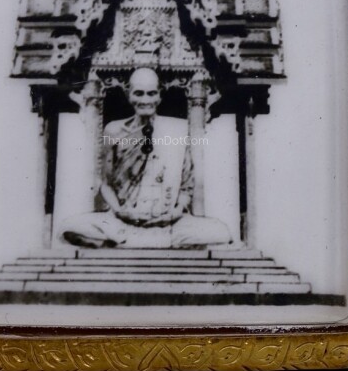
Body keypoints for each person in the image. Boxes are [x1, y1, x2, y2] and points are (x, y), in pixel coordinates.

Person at [61, 67, 232, 249]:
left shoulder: (177, 130)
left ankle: (126, 243)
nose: (145, 100)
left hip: (168, 224)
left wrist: (176, 212)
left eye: (151, 94)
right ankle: (153, 243)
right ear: (129, 95)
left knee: (220, 231)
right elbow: (105, 183)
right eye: (139, 93)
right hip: (124, 222)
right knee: (70, 227)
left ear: (159, 96)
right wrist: (120, 212)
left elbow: (187, 185)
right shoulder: (114, 131)